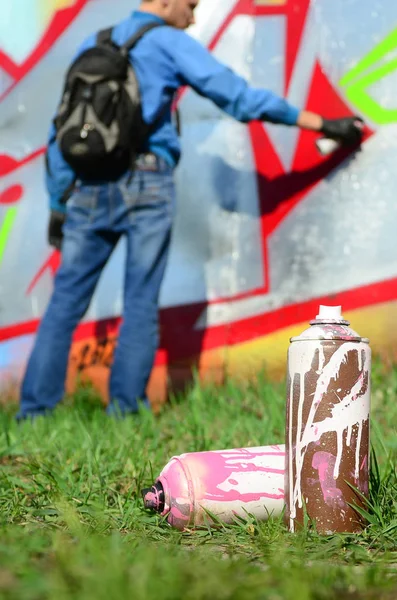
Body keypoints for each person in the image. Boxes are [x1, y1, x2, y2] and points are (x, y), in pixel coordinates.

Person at [17, 0, 364, 420]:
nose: (194, 16)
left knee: (65, 302)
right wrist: (322, 124)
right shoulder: (168, 41)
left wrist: (58, 204)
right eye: (190, 5)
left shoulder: (92, 43)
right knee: (141, 299)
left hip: (88, 188)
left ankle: (34, 413)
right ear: (165, 2)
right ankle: (125, 410)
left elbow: (61, 131)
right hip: (147, 182)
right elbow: (238, 98)